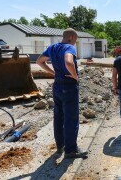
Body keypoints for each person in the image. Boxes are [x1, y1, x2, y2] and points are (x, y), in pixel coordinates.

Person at [36, 28, 88, 159]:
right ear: (71, 37)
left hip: (57, 86)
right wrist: (75, 76)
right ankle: (71, 150)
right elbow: (69, 61)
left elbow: (39, 61)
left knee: (59, 117)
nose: (75, 43)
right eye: (75, 40)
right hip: (69, 87)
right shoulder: (69, 48)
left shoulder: (53, 47)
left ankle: (60, 146)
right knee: (71, 118)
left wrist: (53, 72)